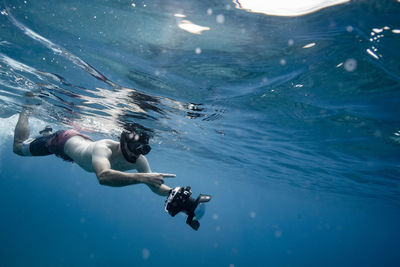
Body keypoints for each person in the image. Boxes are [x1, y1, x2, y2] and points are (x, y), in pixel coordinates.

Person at [12, 107, 175, 196]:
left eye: (143, 150)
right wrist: (142, 177)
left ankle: (46, 133)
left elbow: (154, 185)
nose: (137, 154)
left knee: (66, 151)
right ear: (123, 142)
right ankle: (26, 109)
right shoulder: (103, 148)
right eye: (135, 148)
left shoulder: (139, 160)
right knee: (18, 148)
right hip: (62, 141)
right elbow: (103, 176)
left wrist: (175, 193)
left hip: (78, 151)